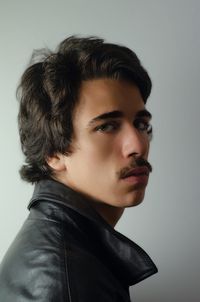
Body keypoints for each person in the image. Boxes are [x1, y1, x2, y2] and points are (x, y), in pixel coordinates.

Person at [0, 36, 158, 301]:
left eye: (141, 124)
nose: (138, 145)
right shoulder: (64, 281)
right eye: (107, 126)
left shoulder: (68, 249)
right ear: (53, 152)